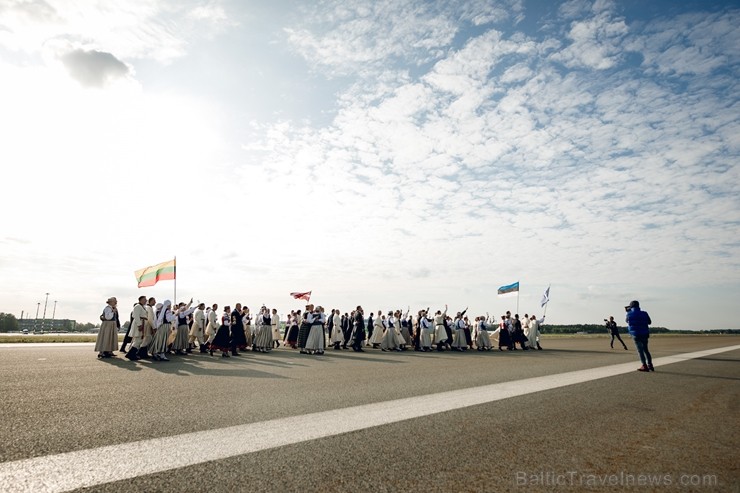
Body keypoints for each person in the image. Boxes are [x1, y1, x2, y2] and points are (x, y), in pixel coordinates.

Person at [626, 300, 654, 371]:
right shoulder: (644, 313)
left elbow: (627, 321)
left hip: (636, 334)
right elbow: (649, 322)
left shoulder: (629, 314)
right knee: (646, 350)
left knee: (640, 351)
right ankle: (650, 365)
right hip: (644, 333)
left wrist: (628, 312)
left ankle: (644, 365)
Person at [126, 296, 148, 360]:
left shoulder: (142, 307)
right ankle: (131, 354)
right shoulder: (137, 306)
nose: (146, 300)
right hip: (139, 323)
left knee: (139, 340)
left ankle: (132, 354)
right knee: (138, 339)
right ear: (140, 300)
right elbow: (136, 316)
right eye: (144, 299)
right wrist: (139, 325)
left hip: (142, 323)